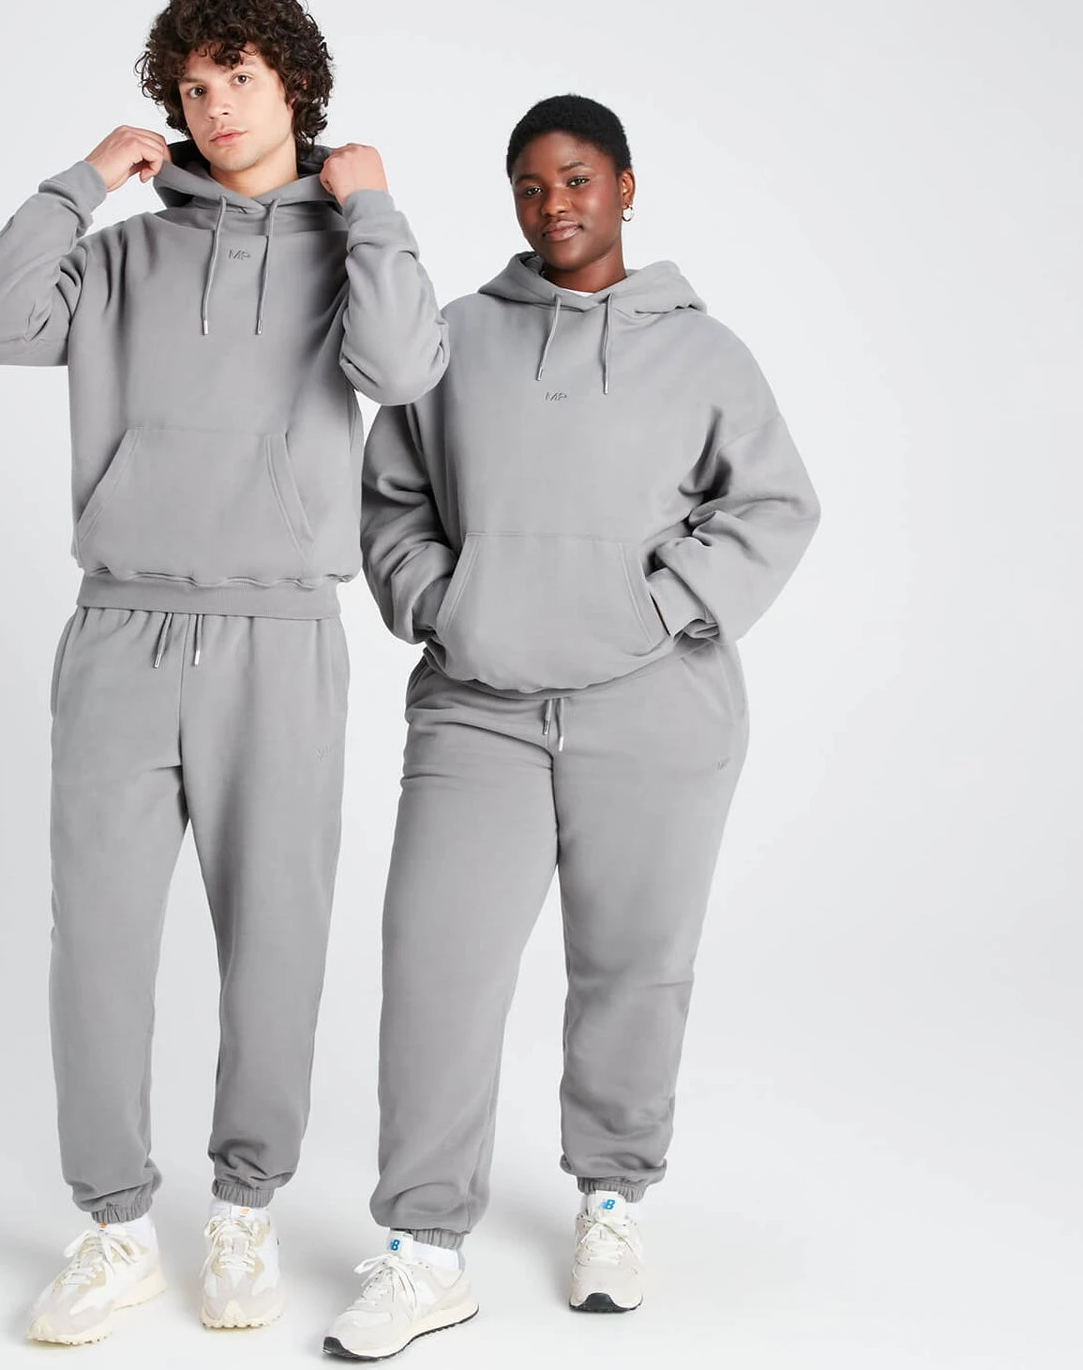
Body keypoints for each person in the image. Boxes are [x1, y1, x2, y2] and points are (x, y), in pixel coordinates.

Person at [0, 0, 448, 1346]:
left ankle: (245, 1214)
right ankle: (114, 1230)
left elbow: (405, 367)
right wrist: (78, 184)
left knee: (276, 941)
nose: (213, 106)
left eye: (238, 77)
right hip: (120, 627)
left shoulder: (352, 251)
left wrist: (374, 207)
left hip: (280, 633)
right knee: (99, 946)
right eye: (191, 87)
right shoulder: (121, 257)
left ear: (295, 86)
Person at [322, 94, 822, 1360]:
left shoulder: (705, 354)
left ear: (626, 186)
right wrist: (443, 604)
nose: (557, 204)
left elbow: (774, 504)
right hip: (479, 709)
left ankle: (612, 1197)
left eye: (580, 178)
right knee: (435, 967)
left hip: (654, 709)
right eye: (533, 185)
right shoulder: (454, 337)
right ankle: (424, 1248)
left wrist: (659, 606)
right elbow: (391, 500)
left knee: (632, 965)